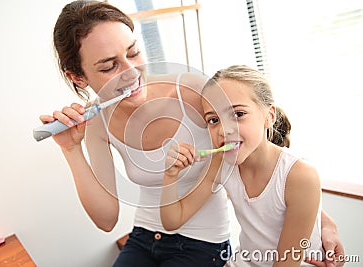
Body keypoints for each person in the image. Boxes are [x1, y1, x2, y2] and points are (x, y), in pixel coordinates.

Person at [39, 1, 344, 266]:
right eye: (109, 66)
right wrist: (71, 149)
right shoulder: (96, 121)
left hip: (203, 243)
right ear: (77, 76)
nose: (131, 72)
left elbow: (264, 151)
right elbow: (106, 220)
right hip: (143, 237)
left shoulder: (192, 90)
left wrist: (322, 222)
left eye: (133, 52)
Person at [160, 65, 345, 266]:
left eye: (238, 114)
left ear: (269, 116)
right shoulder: (221, 163)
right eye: (213, 120)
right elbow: (172, 221)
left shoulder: (300, 175)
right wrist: (170, 175)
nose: (224, 130)